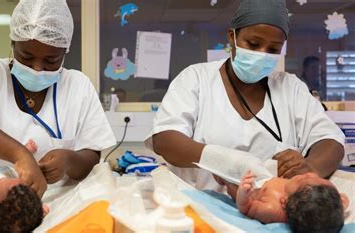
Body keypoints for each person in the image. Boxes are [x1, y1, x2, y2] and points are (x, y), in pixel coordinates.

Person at [146, 0, 345, 191]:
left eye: (273, 49)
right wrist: (222, 160)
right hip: (202, 207)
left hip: (267, 211)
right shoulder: (197, 79)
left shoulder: (290, 88)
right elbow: (165, 140)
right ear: (232, 37)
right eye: (253, 43)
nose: (262, 54)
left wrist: (309, 169)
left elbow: (331, 141)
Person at [0, 0, 116, 197]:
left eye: (51, 60)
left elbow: (92, 156)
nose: (37, 68)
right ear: (13, 44)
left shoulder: (78, 86)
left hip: (52, 206)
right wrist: (20, 154)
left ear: (64, 52)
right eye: (26, 57)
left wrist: (69, 160)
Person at [218, 171, 348, 233]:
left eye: (302, 180)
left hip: (245, 186)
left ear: (285, 202)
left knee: (223, 174)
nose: (311, 174)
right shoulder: (328, 207)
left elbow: (246, 208)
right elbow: (338, 202)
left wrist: (242, 193)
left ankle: (225, 181)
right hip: (264, 173)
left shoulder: (272, 209)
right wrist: (338, 202)